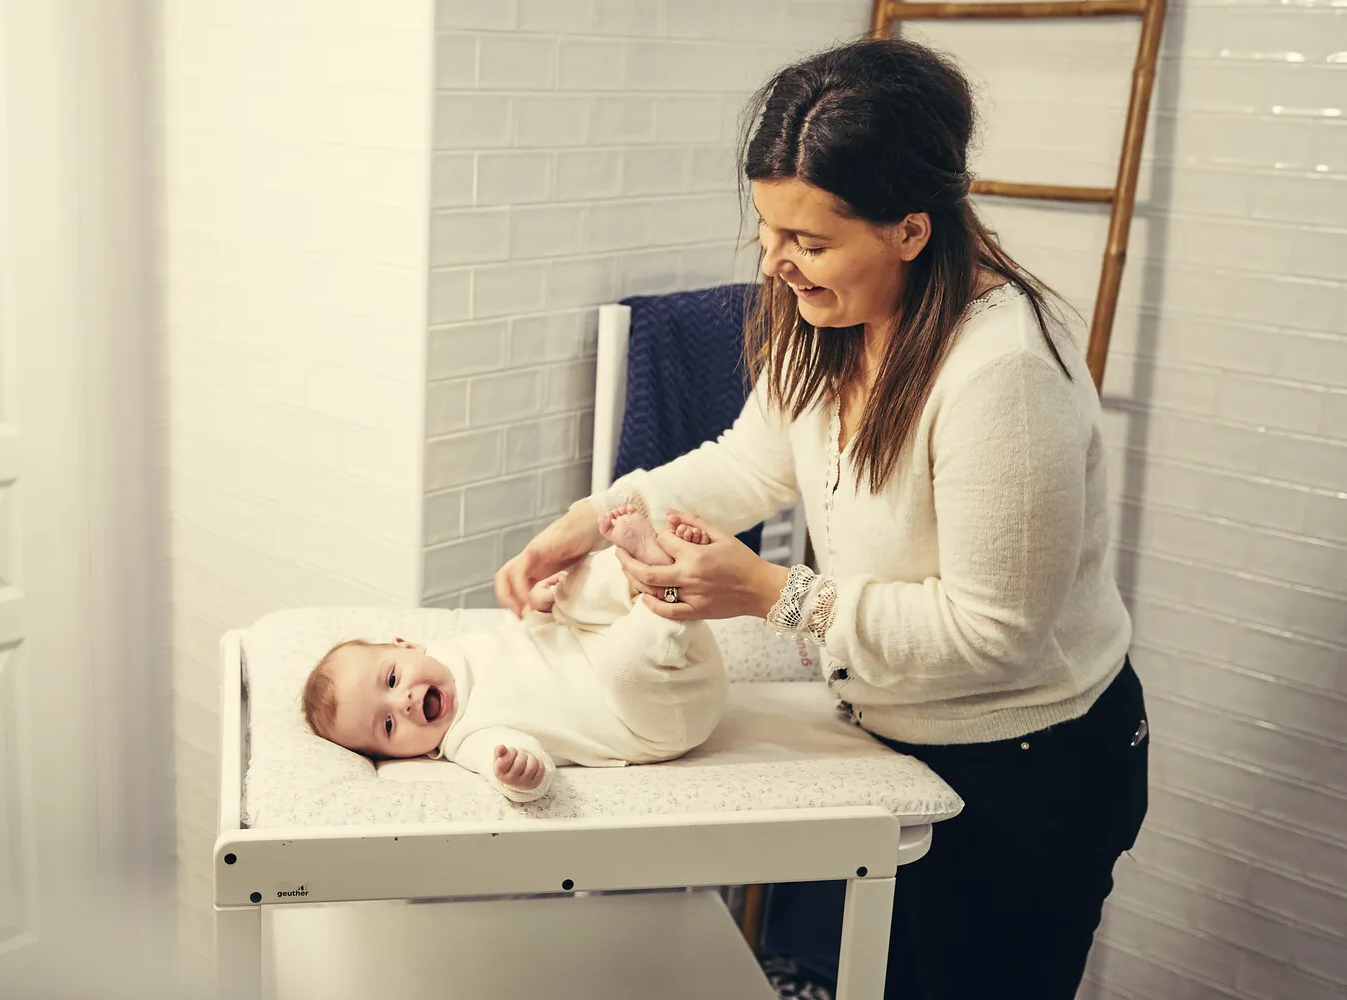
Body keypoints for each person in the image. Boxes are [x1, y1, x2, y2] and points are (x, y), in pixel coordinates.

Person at [494, 37, 1148, 1000]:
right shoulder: (831, 323)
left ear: (911, 231)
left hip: (1029, 776)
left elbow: (997, 636)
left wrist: (771, 595)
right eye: (767, 231)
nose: (778, 265)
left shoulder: (1002, 375)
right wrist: (590, 520)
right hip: (899, 737)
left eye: (809, 241)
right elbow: (747, 463)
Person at [303, 508, 728, 802]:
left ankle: (649, 570)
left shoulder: (459, 649)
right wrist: (518, 774)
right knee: (621, 665)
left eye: (392, 680)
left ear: (407, 645)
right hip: (661, 713)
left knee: (569, 590)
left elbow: (528, 643)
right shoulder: (465, 738)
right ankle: (665, 591)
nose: (405, 701)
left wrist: (544, 609)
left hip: (678, 657)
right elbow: (511, 759)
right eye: (389, 724)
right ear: (402, 755)